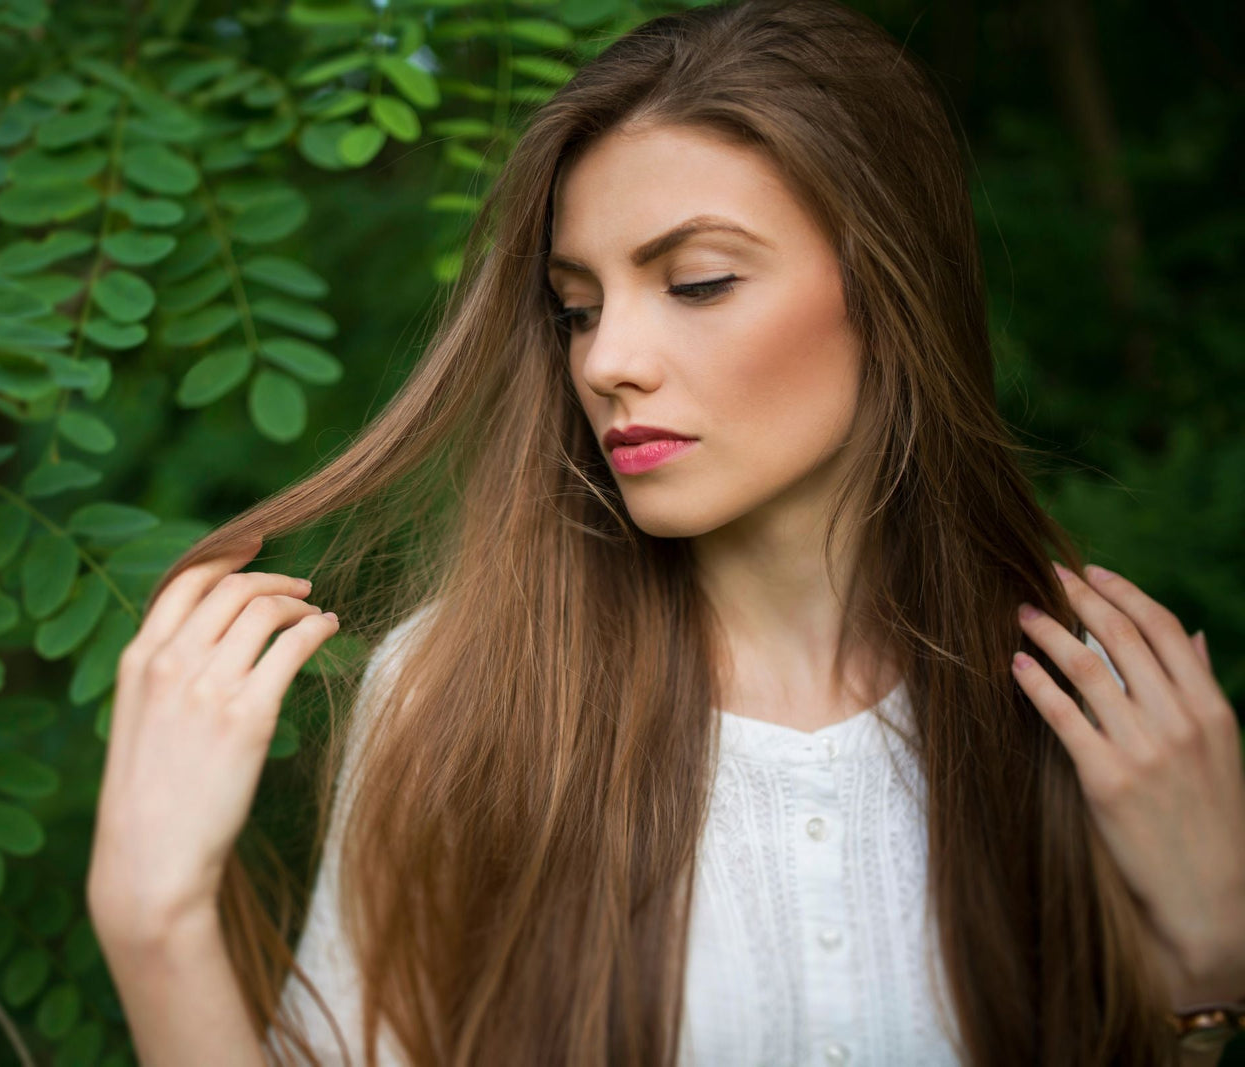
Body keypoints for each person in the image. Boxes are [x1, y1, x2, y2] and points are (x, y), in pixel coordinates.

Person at [85, 1, 1245, 1064]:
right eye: (577, 307)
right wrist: (157, 920)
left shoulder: (1088, 717)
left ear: (890, 289)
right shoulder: (458, 699)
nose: (605, 359)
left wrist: (1207, 971)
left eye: (694, 282)